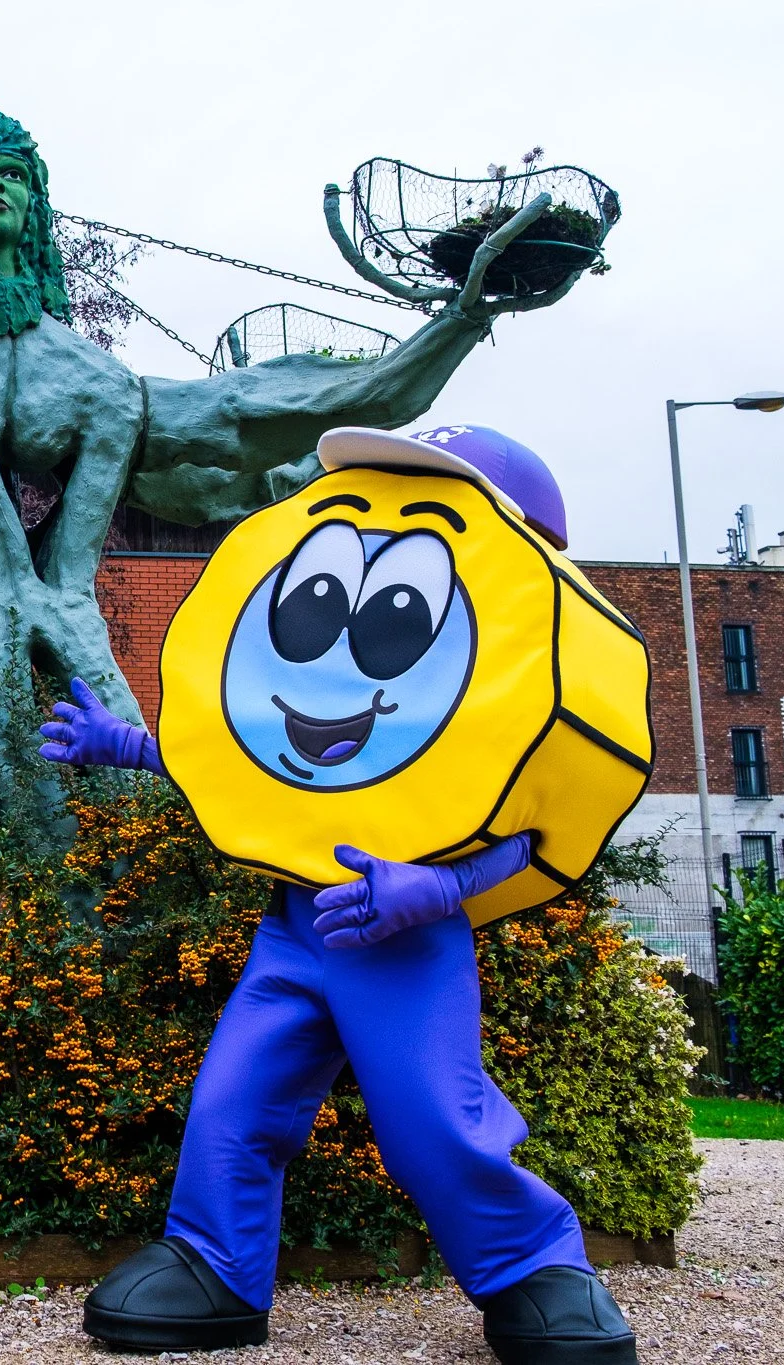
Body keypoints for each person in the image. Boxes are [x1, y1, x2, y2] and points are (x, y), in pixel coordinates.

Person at [39, 426, 639, 1365]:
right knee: (234, 1100)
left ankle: (536, 1266)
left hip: (405, 942)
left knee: (433, 1123)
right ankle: (215, 1264)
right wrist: (128, 745)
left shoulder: (504, 674)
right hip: (296, 925)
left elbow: (532, 832)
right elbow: (250, 762)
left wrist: (441, 885)